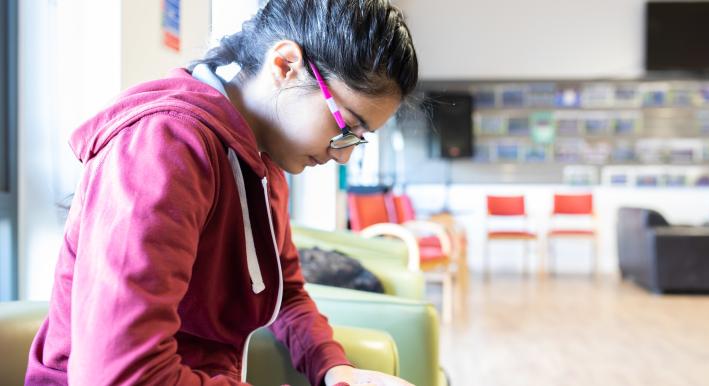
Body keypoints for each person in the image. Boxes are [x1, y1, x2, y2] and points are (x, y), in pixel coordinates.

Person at [24, 0, 418, 385]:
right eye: (345, 126)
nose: (345, 155)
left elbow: (287, 292)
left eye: (358, 140)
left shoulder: (263, 163)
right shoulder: (165, 144)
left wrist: (335, 368)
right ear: (285, 65)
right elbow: (122, 373)